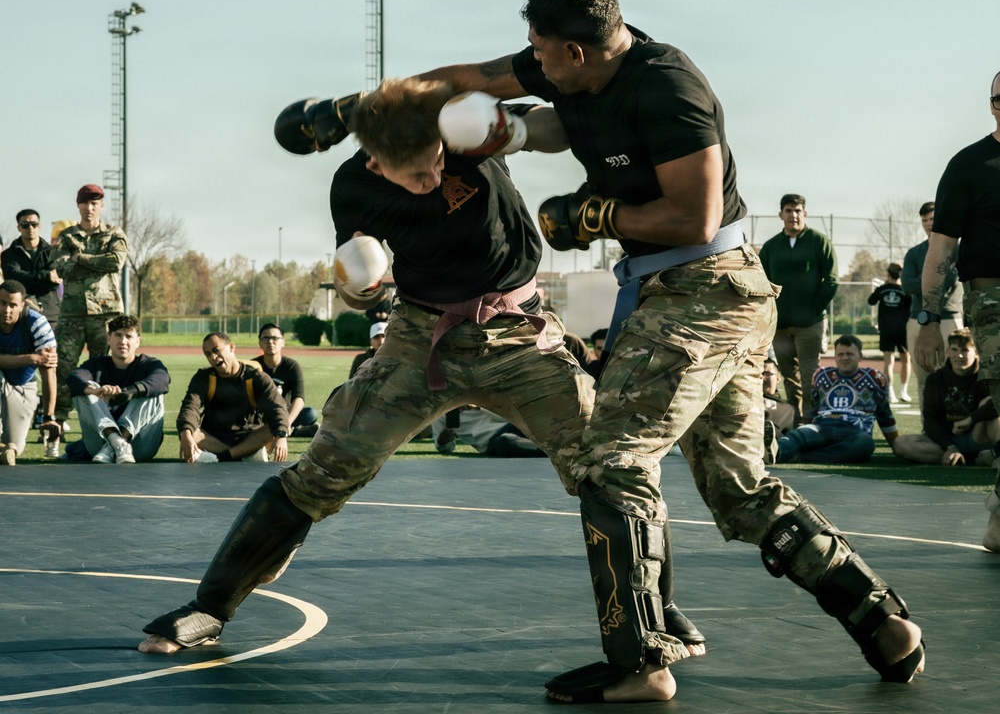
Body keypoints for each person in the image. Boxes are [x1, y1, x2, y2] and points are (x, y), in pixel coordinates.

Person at [415, 0, 921, 702]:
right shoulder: (573, 65)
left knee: (610, 463)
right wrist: (371, 108)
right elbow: (475, 76)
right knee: (741, 493)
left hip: (705, 286)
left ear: (577, 53)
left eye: (544, 54)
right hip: (691, 293)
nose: (533, 64)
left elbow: (695, 216)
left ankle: (641, 659)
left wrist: (594, 218)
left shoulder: (669, 86)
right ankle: (880, 618)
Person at [139, 77, 710, 661]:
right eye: (414, 175)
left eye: (437, 163)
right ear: (376, 162)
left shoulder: (462, 131)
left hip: (519, 333)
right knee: (324, 469)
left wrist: (517, 125)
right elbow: (360, 283)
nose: (433, 179)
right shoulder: (353, 186)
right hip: (419, 338)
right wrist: (359, 290)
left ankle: (653, 611)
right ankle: (210, 606)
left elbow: (556, 124)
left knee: (608, 466)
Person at [914, 70, 1000, 551]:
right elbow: (941, 250)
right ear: (992, 105)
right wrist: (928, 321)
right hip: (992, 303)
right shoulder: (969, 165)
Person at [51, 184, 129, 428]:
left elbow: (115, 262)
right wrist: (96, 262)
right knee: (63, 367)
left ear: (101, 206)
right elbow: (62, 267)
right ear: (78, 206)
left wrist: (80, 257)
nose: (89, 208)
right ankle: (59, 419)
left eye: (95, 203)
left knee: (105, 369)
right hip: (72, 313)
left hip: (105, 315)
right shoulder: (67, 237)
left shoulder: (114, 234)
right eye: (85, 203)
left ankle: (106, 418)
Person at [759, 194, 839, 424]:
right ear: (780, 214)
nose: (793, 215)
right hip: (780, 326)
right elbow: (762, 281)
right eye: (788, 210)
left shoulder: (819, 241)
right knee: (788, 377)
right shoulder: (771, 246)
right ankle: (794, 419)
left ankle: (812, 420)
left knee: (809, 375)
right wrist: (771, 312)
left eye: (797, 211)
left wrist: (814, 308)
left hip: (810, 324)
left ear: (805, 214)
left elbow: (832, 280)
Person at [773, 335, 896, 464]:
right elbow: (813, 411)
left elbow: (885, 415)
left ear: (860, 356)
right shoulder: (822, 375)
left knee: (865, 444)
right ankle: (773, 453)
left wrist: (895, 444)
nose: (845, 358)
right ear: (835, 357)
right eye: (840, 354)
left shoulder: (875, 378)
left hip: (854, 431)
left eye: (849, 354)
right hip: (822, 428)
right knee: (797, 434)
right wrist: (806, 428)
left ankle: (803, 456)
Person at [64, 314, 169, 463]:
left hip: (140, 447)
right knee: (86, 388)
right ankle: (115, 441)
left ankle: (118, 442)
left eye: (128, 336)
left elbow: (162, 380)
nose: (123, 341)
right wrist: (95, 391)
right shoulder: (96, 365)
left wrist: (131, 391)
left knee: (152, 390)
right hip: (99, 447)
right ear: (109, 339)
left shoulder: (149, 364)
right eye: (118, 335)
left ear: (137, 341)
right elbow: (73, 378)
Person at [175, 332, 289, 464]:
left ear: (231, 347)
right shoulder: (203, 377)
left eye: (216, 350)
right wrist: (185, 434)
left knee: (272, 430)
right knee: (189, 432)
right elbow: (190, 407)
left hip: (250, 437)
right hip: (213, 438)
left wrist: (281, 436)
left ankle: (219, 458)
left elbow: (277, 407)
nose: (213, 357)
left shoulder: (256, 378)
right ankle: (245, 456)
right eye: (208, 354)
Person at [895, 328, 999, 466]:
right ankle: (971, 458)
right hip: (945, 441)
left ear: (976, 352)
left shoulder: (985, 376)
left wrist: (970, 419)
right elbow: (929, 420)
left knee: (991, 405)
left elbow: (997, 405)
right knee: (901, 443)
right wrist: (950, 446)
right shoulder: (935, 379)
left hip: (976, 436)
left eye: (964, 351)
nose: (959, 356)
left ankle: (992, 453)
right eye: (954, 350)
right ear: (948, 351)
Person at [901, 202, 963, 405]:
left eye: (932, 219)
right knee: (923, 380)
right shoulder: (914, 253)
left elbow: (953, 283)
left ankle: (954, 432)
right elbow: (908, 286)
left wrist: (933, 279)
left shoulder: (959, 249)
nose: (928, 224)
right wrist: (941, 276)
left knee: (956, 379)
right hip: (917, 319)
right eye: (924, 220)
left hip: (950, 319)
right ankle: (928, 431)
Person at [0, 280, 58, 465]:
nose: (6, 310)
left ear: (22, 305)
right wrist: (31, 358)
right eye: (2, 303)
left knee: (15, 444)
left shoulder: (37, 323)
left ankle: (5, 449)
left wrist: (49, 416)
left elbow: (49, 371)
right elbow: (37, 360)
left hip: (23, 385)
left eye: (12, 305)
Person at [255, 323, 319, 439]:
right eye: (266, 338)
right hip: (261, 414)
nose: (270, 342)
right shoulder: (253, 366)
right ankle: (296, 431)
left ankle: (282, 429)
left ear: (283, 342)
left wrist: (286, 422)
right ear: (260, 343)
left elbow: (299, 398)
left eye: (275, 338)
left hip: (285, 413)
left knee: (311, 413)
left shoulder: (292, 366)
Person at [1, 209, 62, 328]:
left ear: (39, 226)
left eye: (34, 224)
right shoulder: (9, 255)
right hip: (21, 313)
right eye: (25, 225)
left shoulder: (53, 252)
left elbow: (55, 282)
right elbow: (13, 281)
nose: (30, 227)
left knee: (50, 347)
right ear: (19, 228)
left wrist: (26, 280)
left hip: (50, 313)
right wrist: (46, 276)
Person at [867, 263, 912, 403]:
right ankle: (904, 392)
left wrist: (883, 287)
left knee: (888, 361)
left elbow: (871, 301)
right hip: (902, 329)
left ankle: (890, 393)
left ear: (888, 274)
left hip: (886, 330)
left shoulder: (882, 289)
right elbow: (911, 308)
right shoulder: (905, 290)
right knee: (906, 360)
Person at [433, 405, 545, 457]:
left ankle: (551, 447)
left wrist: (479, 407)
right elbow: (446, 448)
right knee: (505, 442)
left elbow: (509, 417)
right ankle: (547, 451)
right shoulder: (440, 413)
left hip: (512, 426)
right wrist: (442, 441)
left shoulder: (481, 394)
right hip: (492, 440)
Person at [762, 358, 795, 449]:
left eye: (768, 374)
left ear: (778, 378)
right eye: (759, 374)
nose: (763, 378)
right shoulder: (746, 403)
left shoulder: (788, 408)